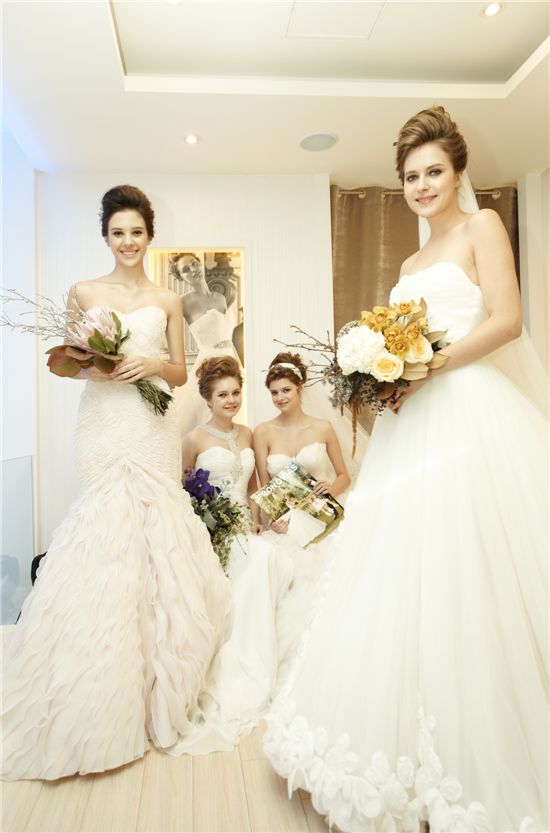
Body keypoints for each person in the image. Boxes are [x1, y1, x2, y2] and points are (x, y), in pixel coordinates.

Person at [263, 108, 548, 833]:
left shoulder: (483, 227)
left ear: (458, 173)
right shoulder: (407, 267)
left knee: (473, 565)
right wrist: (386, 377)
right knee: (398, 566)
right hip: (411, 422)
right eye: (412, 176)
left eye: (434, 172)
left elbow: (508, 319)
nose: (422, 186)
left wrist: (427, 366)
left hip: (468, 410)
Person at [1, 185, 232, 780]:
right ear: (106, 236)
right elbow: (67, 362)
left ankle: (159, 683)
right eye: (118, 232)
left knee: (156, 536)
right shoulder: (83, 291)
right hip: (102, 424)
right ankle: (97, 678)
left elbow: (180, 373)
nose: (128, 242)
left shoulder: (167, 299)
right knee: (105, 531)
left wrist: (152, 364)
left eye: (136, 232)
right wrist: (99, 363)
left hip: (151, 425)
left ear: (149, 236)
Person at [169, 356, 293, 754]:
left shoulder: (248, 433)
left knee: (269, 558)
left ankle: (260, 662)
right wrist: (202, 530)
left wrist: (263, 519)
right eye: (222, 394)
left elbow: (255, 485)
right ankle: (236, 670)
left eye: (236, 392)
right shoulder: (193, 439)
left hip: (247, 529)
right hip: (212, 534)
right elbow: (179, 492)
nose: (231, 400)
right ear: (208, 399)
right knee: (256, 562)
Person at [170, 253, 243, 436]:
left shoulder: (220, 297)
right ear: (181, 277)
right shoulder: (182, 303)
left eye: (194, 263)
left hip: (231, 359)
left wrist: (239, 365)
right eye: (186, 270)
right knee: (205, 416)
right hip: (208, 364)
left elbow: (228, 336)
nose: (193, 270)